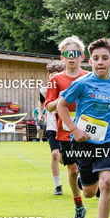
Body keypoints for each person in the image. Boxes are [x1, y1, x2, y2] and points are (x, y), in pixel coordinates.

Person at [57, 37, 110, 218]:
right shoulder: (82, 83)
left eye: (105, 58)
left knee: (107, 182)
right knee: (89, 192)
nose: (100, 62)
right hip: (83, 142)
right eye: (96, 58)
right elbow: (61, 105)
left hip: (108, 141)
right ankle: (85, 181)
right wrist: (74, 129)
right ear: (90, 61)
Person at [45, 37, 88, 218]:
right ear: (62, 57)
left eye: (75, 53)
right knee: (72, 171)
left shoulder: (89, 77)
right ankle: (78, 206)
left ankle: (91, 181)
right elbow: (49, 106)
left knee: (88, 166)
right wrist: (61, 99)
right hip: (65, 132)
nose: (71, 57)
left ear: (82, 57)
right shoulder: (56, 80)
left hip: (88, 130)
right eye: (67, 54)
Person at [39, 62, 64, 195]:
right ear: (48, 76)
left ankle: (80, 177)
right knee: (55, 154)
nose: (54, 79)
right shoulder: (44, 90)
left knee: (65, 158)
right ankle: (58, 185)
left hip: (66, 127)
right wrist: (40, 114)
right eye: (52, 76)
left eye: (57, 76)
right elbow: (41, 102)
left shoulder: (67, 89)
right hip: (52, 126)